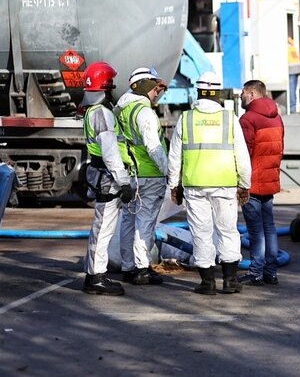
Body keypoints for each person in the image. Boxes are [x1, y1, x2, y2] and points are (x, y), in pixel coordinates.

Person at [167, 71, 252, 295]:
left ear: (198, 91)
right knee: (228, 231)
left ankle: (207, 283)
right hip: (225, 185)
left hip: (195, 186)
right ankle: (231, 280)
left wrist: (174, 186)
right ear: (218, 92)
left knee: (201, 233)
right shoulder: (230, 119)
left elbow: (174, 156)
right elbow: (242, 156)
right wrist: (245, 184)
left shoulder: (186, 119)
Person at [81, 61, 135, 296]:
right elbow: (110, 151)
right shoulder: (102, 113)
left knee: (102, 227)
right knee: (103, 228)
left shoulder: (92, 111)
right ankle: (96, 277)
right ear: (107, 86)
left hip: (101, 174)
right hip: (108, 177)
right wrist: (123, 181)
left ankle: (94, 274)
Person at [116, 67, 169, 286]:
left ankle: (128, 266)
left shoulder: (123, 110)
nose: (158, 91)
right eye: (155, 86)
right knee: (144, 223)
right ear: (146, 85)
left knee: (128, 221)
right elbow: (154, 147)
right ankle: (142, 268)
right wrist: (170, 173)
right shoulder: (144, 112)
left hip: (131, 175)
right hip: (149, 176)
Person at [239, 80, 284, 285]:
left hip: (252, 182)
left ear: (252, 94)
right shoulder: (277, 118)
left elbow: (244, 152)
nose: (240, 96)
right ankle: (271, 272)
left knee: (255, 230)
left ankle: (255, 272)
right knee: (270, 227)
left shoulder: (248, 119)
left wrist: (239, 180)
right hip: (270, 180)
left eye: (243, 92)